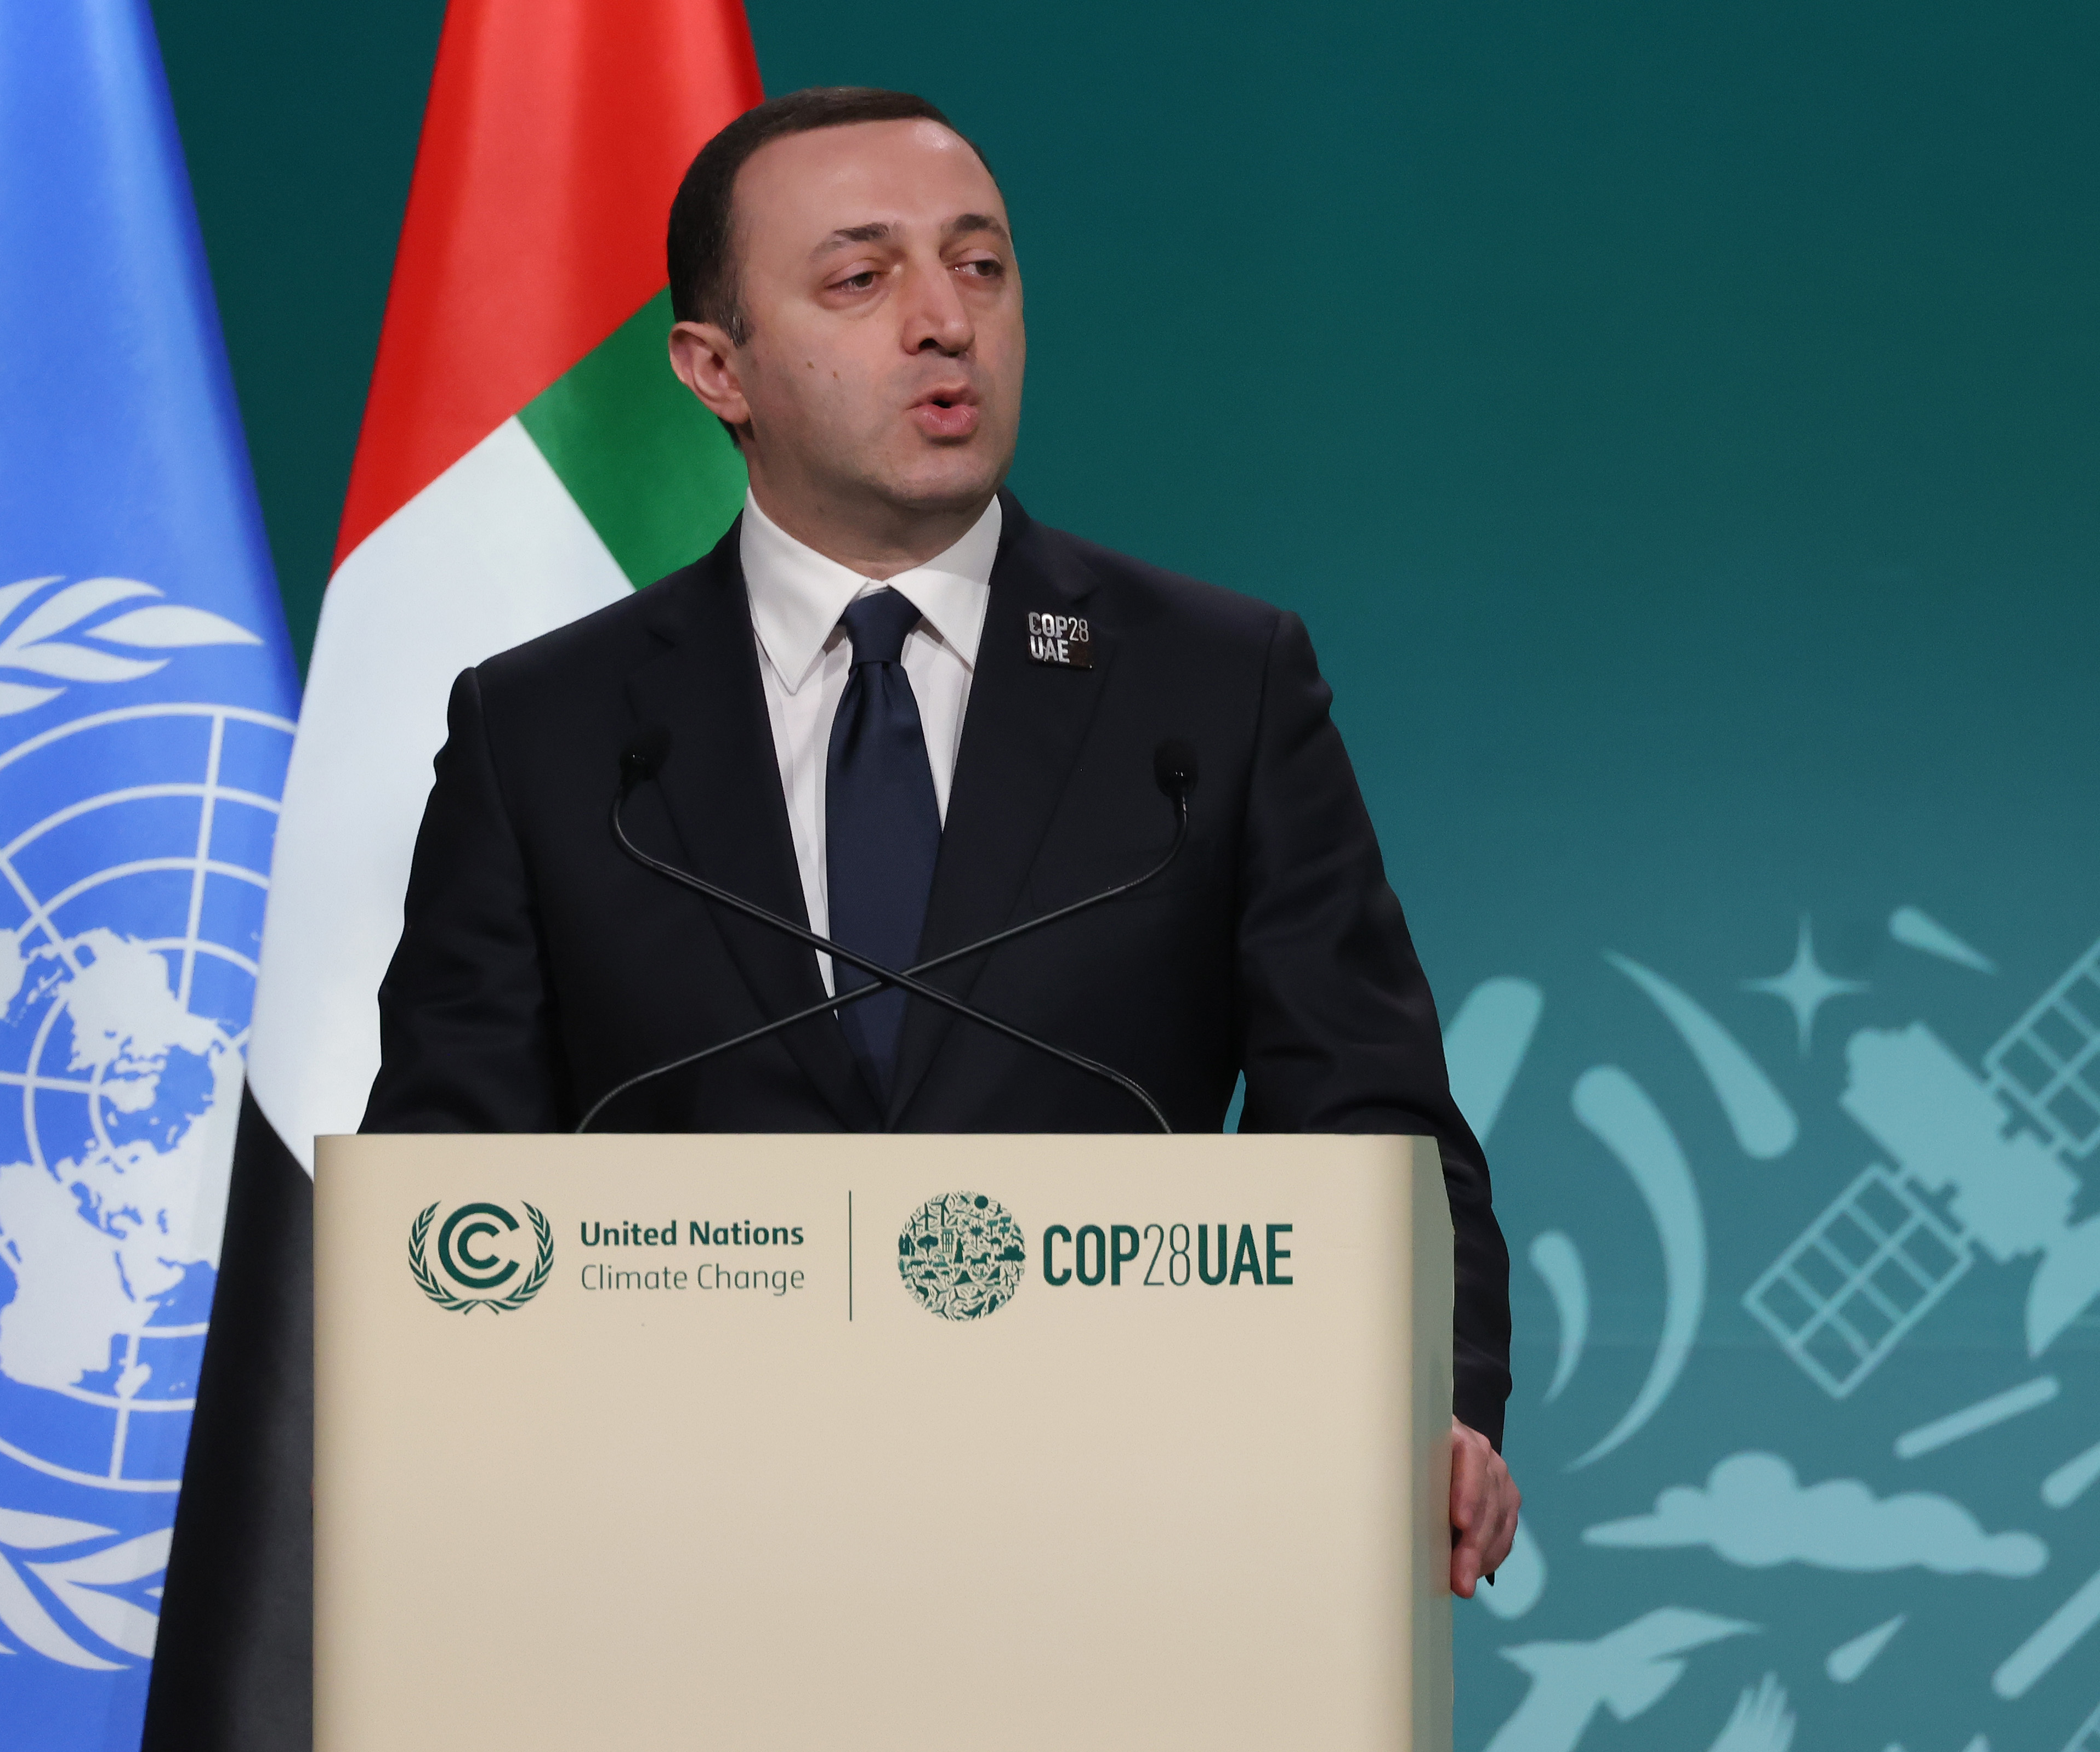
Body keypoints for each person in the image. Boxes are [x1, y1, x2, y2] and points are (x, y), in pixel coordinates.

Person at [362, 84, 1519, 1587]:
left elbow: (1373, 1117)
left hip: (1122, 1547)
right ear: (716, 368)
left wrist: (1428, 1400)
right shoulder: (549, 731)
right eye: (863, 279)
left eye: (980, 265)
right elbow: (451, 1169)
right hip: (668, 1560)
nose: (945, 322)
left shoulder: (1210, 688)